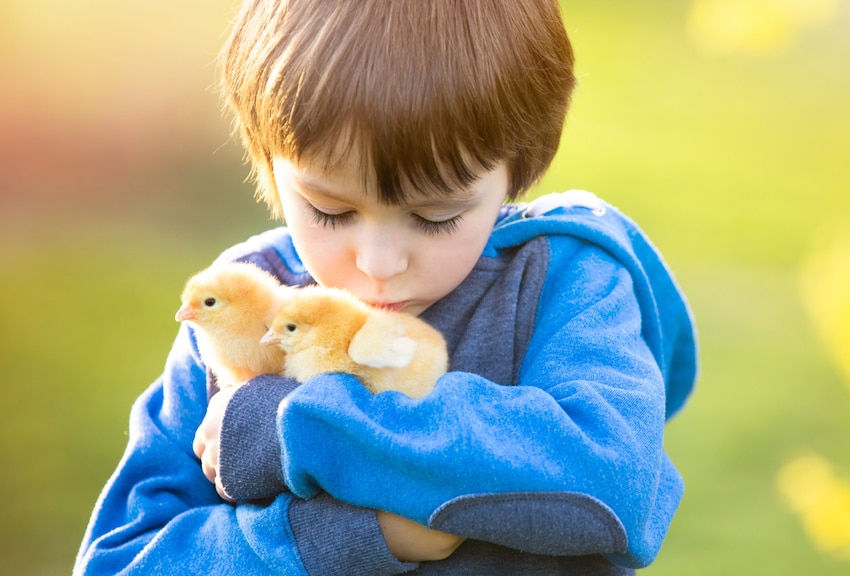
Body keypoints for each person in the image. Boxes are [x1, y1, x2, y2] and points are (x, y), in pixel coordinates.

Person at [73, 0, 698, 574]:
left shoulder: (566, 278)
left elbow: (614, 482)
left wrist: (294, 427)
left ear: (517, 169)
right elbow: (118, 560)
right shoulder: (241, 305)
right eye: (330, 210)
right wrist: (336, 538)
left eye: (435, 216)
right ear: (268, 162)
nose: (378, 264)